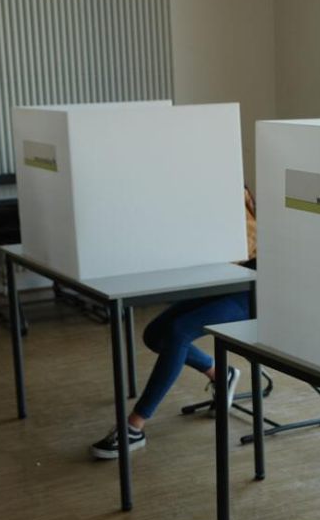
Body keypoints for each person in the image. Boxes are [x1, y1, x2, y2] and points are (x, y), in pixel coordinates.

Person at [89, 188, 258, 459]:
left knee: (178, 332)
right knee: (155, 334)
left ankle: (135, 426)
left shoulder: (231, 190)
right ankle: (220, 374)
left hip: (254, 289)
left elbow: (245, 245)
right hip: (224, 278)